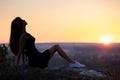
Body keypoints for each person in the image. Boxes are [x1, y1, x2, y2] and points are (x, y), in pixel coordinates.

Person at [9, 17, 85, 69]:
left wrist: (24, 64)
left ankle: (73, 63)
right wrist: (17, 65)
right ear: (21, 24)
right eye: (22, 20)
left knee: (56, 47)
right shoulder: (23, 35)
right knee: (57, 47)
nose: (24, 20)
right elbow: (20, 51)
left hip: (36, 58)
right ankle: (73, 63)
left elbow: (23, 50)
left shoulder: (24, 34)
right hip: (37, 59)